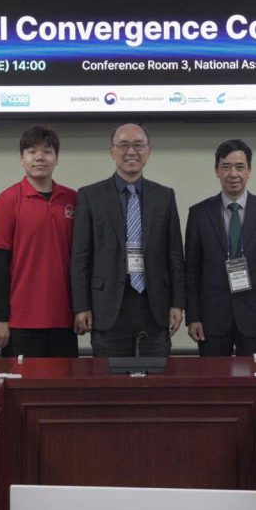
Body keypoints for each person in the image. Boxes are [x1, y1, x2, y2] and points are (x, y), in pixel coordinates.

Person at [71, 123, 185, 357]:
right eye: (123, 145)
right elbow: (81, 257)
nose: (131, 152)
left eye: (138, 145)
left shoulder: (164, 196)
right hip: (107, 306)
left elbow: (174, 254)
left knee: (155, 377)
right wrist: (81, 306)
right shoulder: (90, 196)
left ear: (148, 151)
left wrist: (177, 303)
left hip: (154, 306)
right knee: (108, 378)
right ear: (112, 151)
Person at [185, 139, 256, 356]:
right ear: (217, 171)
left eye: (240, 167)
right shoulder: (199, 213)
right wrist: (193, 316)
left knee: (254, 374)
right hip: (211, 317)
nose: (233, 174)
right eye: (226, 167)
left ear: (249, 171)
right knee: (212, 376)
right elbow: (191, 270)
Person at [0, 125, 78, 358]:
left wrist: (82, 308)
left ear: (56, 158)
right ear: (22, 159)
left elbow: (83, 260)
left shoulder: (73, 200)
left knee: (65, 380)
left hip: (65, 319)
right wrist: (1, 317)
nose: (40, 157)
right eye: (32, 151)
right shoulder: (6, 201)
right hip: (20, 321)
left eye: (47, 151)